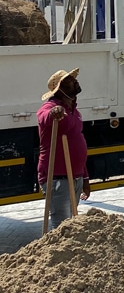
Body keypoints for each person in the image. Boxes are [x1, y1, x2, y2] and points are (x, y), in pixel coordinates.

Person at [37, 68, 90, 230]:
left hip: (76, 177)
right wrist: (53, 113)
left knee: (72, 222)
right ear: (59, 90)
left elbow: (77, 146)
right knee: (62, 226)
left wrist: (85, 179)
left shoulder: (75, 111)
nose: (75, 82)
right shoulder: (51, 106)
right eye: (69, 81)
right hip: (58, 177)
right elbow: (43, 116)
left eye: (73, 79)